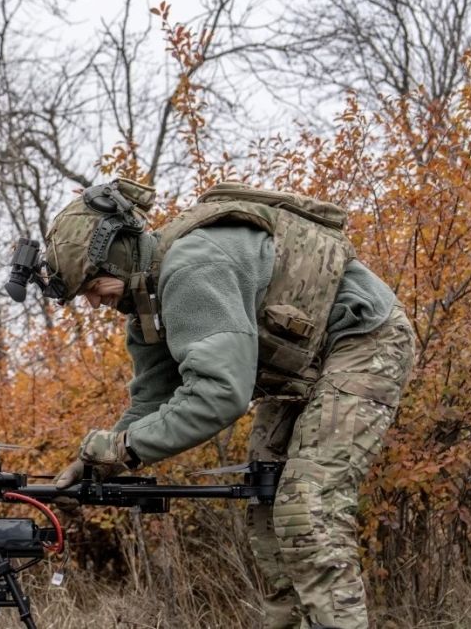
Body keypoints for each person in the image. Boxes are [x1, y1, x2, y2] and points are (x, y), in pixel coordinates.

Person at [24, 179, 414, 629]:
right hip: (301, 368)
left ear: (119, 253)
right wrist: (96, 463)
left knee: (307, 507)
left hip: (366, 340)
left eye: (92, 285)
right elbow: (153, 399)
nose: (93, 302)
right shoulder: (147, 305)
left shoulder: (191, 270)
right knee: (268, 502)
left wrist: (124, 447)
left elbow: (220, 396)